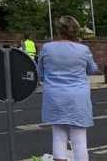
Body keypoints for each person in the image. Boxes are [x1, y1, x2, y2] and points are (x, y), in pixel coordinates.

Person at [38, 15, 98, 161]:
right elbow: (92, 69)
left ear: (58, 30)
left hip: (54, 96)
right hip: (77, 97)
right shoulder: (83, 49)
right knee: (79, 140)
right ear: (76, 31)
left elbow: (40, 73)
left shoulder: (47, 48)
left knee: (58, 136)